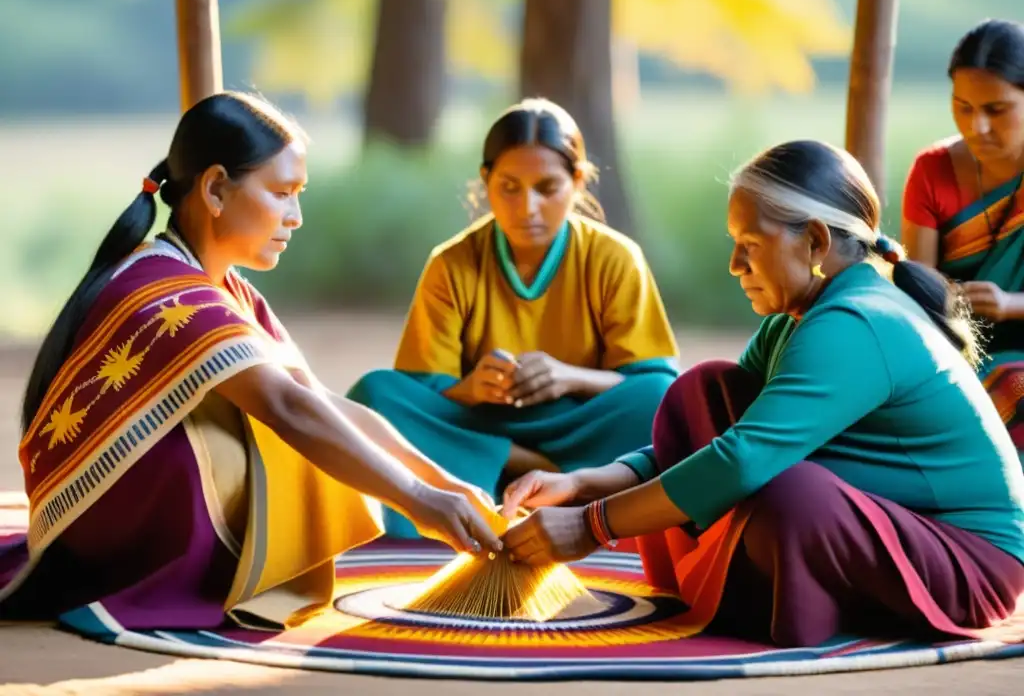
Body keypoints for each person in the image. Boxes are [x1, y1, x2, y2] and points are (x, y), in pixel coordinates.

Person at [0, 92, 502, 632]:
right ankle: (187, 576)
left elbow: (317, 398)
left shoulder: (222, 287)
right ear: (216, 189)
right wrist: (420, 502)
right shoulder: (166, 292)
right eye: (283, 193)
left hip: (118, 504)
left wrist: (445, 484)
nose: (296, 216)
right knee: (275, 438)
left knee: (308, 424)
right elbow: (291, 408)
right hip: (97, 525)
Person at [501, 140, 1024, 648]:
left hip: (969, 562)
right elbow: (711, 443)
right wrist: (581, 486)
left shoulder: (858, 321)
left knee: (789, 496)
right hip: (892, 528)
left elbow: (741, 460)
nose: (735, 265)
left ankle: (792, 603)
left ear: (815, 243)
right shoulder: (794, 320)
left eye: (749, 245)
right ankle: (767, 589)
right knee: (701, 393)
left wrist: (592, 527)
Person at [348, 98, 680, 538]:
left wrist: (569, 378)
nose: (527, 208)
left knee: (661, 397)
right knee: (376, 395)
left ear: (578, 182)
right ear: (485, 183)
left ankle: (529, 473)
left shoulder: (615, 258)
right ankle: (522, 465)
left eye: (547, 188)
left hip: (578, 426)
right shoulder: (451, 264)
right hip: (479, 424)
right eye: (509, 187)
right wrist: (472, 386)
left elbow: (649, 376)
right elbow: (423, 389)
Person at [902, 19, 1024, 459]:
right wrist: (949, 303)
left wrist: (1010, 304)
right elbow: (918, 290)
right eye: (963, 107)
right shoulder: (931, 172)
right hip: (951, 351)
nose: (978, 127)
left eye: (996, 109)